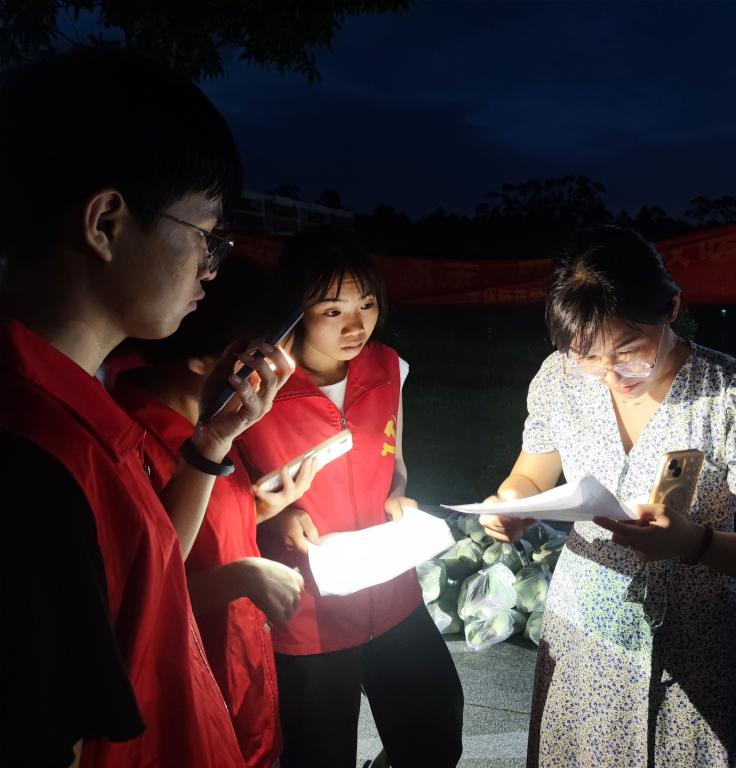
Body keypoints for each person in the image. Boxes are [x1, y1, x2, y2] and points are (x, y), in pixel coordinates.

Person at [0, 49, 293, 767]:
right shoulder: (30, 458)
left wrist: (213, 439)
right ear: (105, 222)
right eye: (206, 237)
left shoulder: (74, 408)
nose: (210, 269)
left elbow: (148, 573)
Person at [481, 226, 736, 768]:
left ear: (671, 308)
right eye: (587, 355)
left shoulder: (733, 397)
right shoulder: (559, 381)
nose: (611, 374)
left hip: (696, 643)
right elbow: (531, 476)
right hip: (583, 636)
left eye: (629, 350)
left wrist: (695, 543)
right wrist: (512, 506)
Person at [235, 225, 464, 768]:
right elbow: (221, 494)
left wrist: (399, 495)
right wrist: (272, 519)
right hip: (306, 613)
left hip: (393, 594)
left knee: (434, 736)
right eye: (332, 310)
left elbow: (396, 462)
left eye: (367, 304)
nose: (356, 325)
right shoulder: (252, 387)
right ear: (294, 310)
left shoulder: (387, 367)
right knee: (318, 756)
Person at [111, 258, 316, 768]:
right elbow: (139, 591)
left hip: (240, 682)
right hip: (191, 696)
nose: (282, 374)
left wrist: (262, 508)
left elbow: (194, 530)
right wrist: (243, 576)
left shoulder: (206, 424)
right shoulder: (135, 442)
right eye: (271, 357)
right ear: (210, 360)